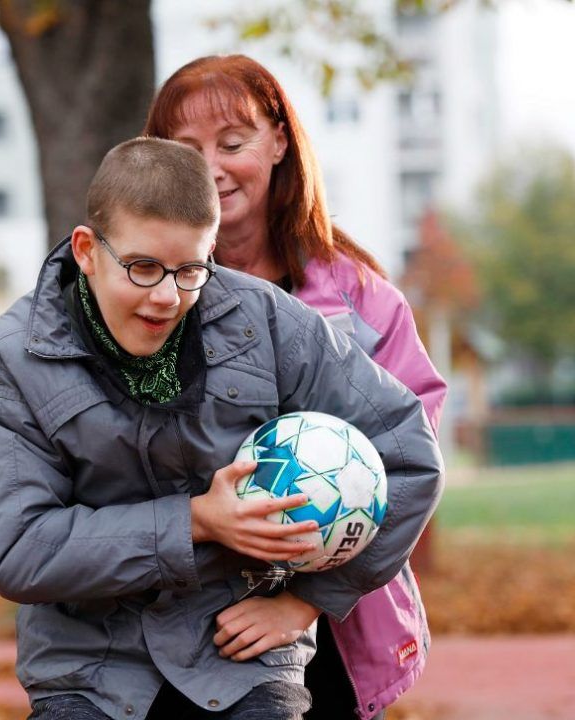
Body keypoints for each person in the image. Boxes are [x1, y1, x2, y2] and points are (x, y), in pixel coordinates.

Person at [0, 137, 443, 720]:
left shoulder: (268, 322)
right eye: (143, 268)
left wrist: (309, 601)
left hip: (240, 659)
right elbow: (17, 549)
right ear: (88, 250)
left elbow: (411, 455)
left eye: (190, 269)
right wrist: (194, 522)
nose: (167, 296)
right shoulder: (15, 356)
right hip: (90, 668)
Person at [144, 55, 448, 720]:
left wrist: (304, 603)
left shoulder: (364, 304)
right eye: (187, 150)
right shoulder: (141, 301)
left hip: (332, 627)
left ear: (279, 141)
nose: (213, 168)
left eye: (233, 143)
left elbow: (404, 470)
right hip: (176, 615)